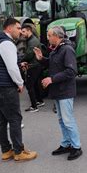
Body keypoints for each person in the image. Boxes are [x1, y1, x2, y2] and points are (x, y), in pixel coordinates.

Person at [0, 18, 37, 162]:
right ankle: (19, 151)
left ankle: (6, 150)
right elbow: (11, 67)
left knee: (1, 119)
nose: (20, 31)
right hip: (5, 87)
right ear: (9, 28)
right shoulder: (6, 43)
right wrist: (20, 83)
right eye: (17, 27)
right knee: (15, 118)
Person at [33, 26, 82, 161]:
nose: (47, 38)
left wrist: (52, 79)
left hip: (65, 90)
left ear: (58, 36)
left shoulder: (67, 50)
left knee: (68, 120)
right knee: (62, 120)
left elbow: (71, 71)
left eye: (49, 36)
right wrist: (41, 58)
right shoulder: (57, 49)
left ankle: (76, 146)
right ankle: (66, 143)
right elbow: (53, 63)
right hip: (59, 91)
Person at [20, 24, 44, 112]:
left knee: (30, 86)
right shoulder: (31, 40)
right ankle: (39, 101)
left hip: (33, 66)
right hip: (36, 65)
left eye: (23, 31)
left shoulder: (32, 41)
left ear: (29, 31)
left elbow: (29, 55)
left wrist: (20, 61)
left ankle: (34, 107)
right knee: (35, 84)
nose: (22, 33)